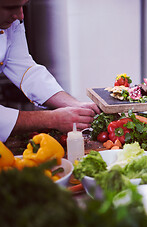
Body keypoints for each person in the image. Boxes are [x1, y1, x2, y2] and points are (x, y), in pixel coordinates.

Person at [0, 0, 100, 142]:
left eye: (22, 6)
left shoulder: (12, 21)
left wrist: (74, 105)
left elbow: (25, 70)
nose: (20, 16)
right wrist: (52, 119)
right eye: (10, 8)